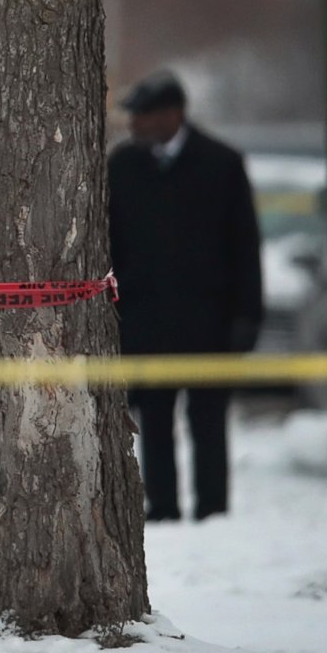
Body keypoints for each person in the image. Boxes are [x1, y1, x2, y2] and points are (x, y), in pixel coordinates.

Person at [106, 69, 264, 522]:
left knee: (208, 421)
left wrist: (247, 317)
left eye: (143, 115)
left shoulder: (221, 164)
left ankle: (213, 506)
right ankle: (164, 505)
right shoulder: (123, 168)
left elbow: (244, 246)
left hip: (208, 320)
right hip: (146, 320)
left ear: (172, 115)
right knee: (154, 420)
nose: (134, 125)